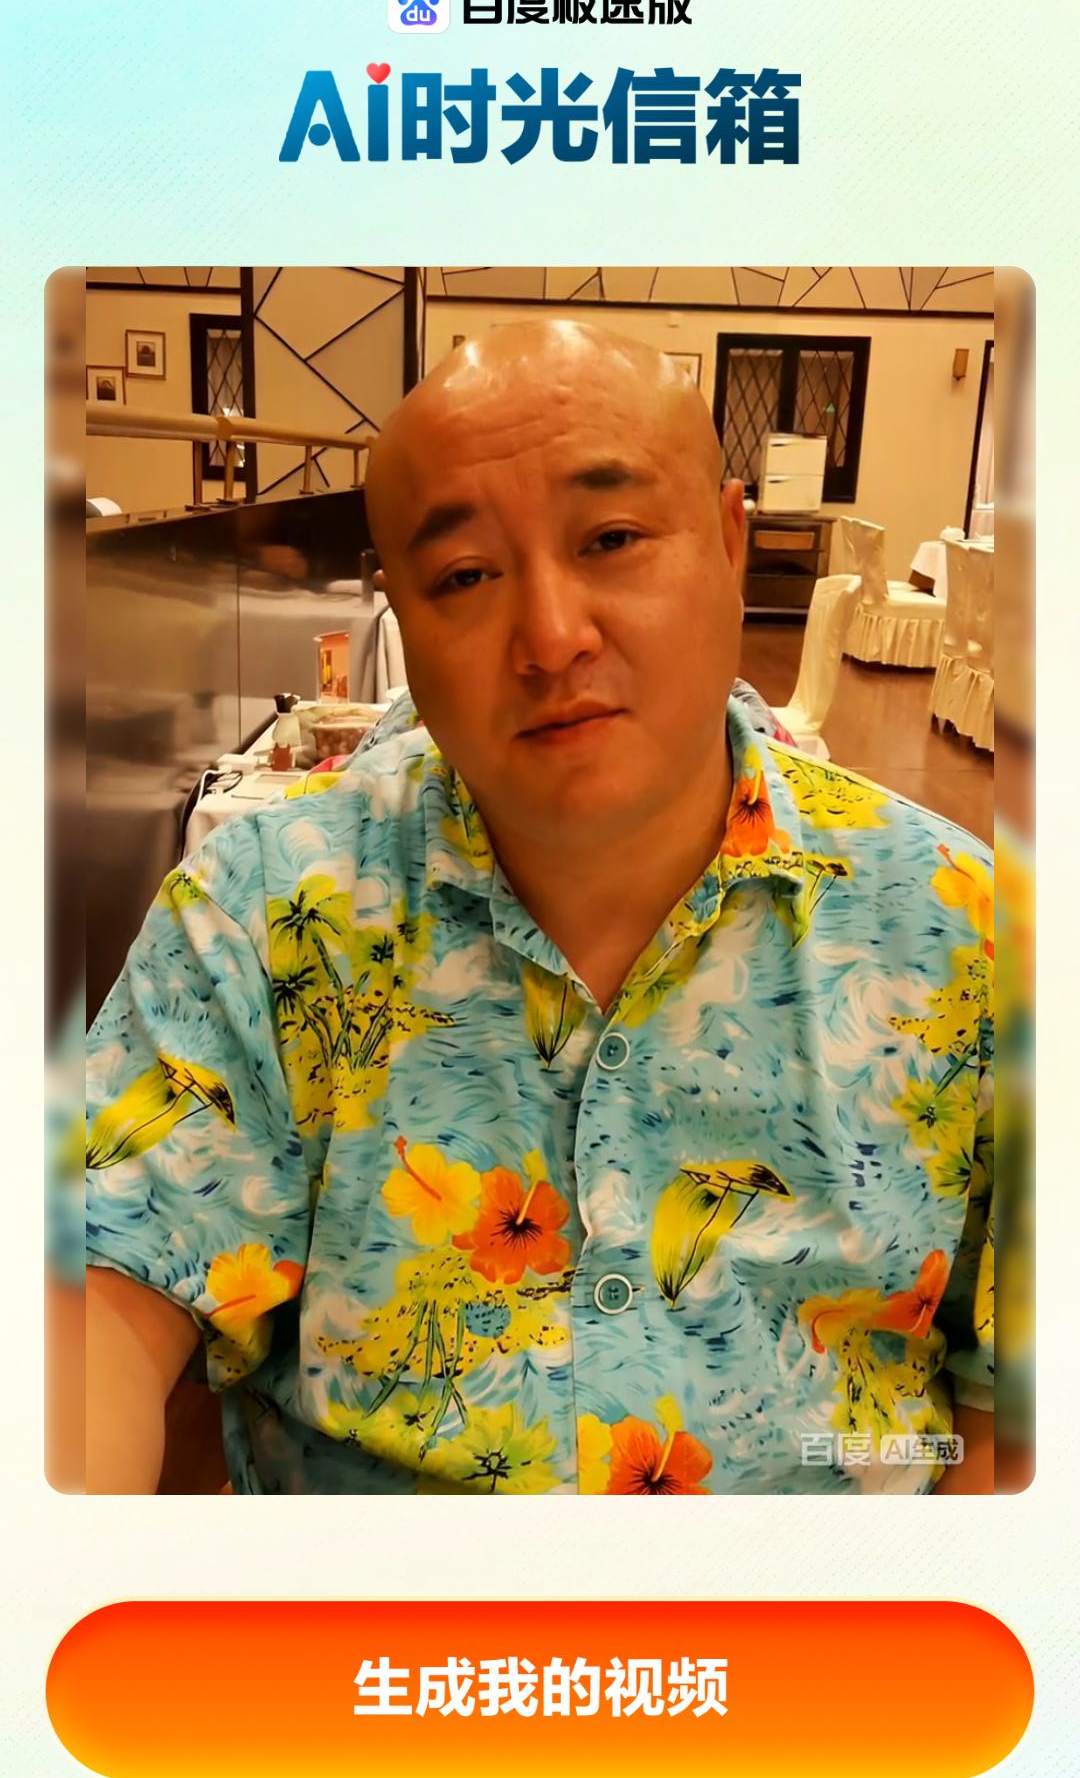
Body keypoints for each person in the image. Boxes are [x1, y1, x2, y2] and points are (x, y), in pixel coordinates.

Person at [86, 323, 993, 1496]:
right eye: (466, 577)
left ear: (729, 543)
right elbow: (90, 1309)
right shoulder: (263, 917)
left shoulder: (967, 931)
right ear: (401, 622)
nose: (554, 638)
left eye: (611, 539)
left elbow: (1005, 1424)